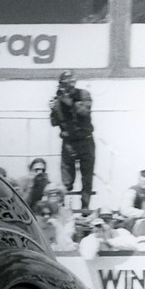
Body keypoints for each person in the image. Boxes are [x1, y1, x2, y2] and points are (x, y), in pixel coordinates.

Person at [49, 70, 95, 210]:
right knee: (67, 181)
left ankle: (85, 208)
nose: (68, 86)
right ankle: (63, 209)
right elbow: (54, 123)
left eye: (70, 83)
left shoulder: (84, 95)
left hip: (85, 141)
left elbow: (84, 112)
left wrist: (67, 100)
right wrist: (53, 109)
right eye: (65, 84)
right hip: (69, 143)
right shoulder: (58, 101)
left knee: (87, 178)